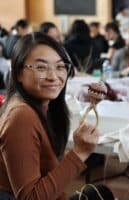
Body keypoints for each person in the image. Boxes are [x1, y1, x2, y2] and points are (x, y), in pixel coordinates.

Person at [0, 32, 100, 199]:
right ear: (18, 73)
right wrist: (79, 153)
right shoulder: (21, 116)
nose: (54, 76)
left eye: (60, 67)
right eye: (41, 67)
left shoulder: (43, 108)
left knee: (99, 192)